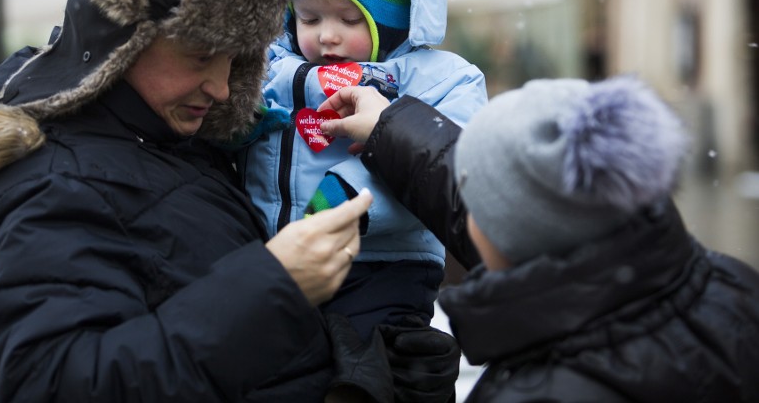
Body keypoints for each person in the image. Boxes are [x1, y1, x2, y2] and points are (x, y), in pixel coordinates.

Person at [0, 0, 461, 402]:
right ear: (125, 37)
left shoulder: (179, 140)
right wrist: (275, 289)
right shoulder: (53, 182)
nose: (222, 87)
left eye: (237, 60)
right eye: (201, 55)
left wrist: (362, 369)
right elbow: (49, 385)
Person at [319, 79, 759, 402]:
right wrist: (390, 126)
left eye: (476, 203)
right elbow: (519, 191)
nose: (467, 210)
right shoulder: (732, 287)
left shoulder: (538, 392)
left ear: (495, 235)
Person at [238, 0, 488, 349]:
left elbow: (445, 164)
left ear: (391, 17)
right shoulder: (272, 65)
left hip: (386, 262)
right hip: (277, 252)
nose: (327, 36)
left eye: (350, 20)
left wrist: (347, 196)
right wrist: (245, 125)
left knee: (369, 361)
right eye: (308, 17)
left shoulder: (442, 80)